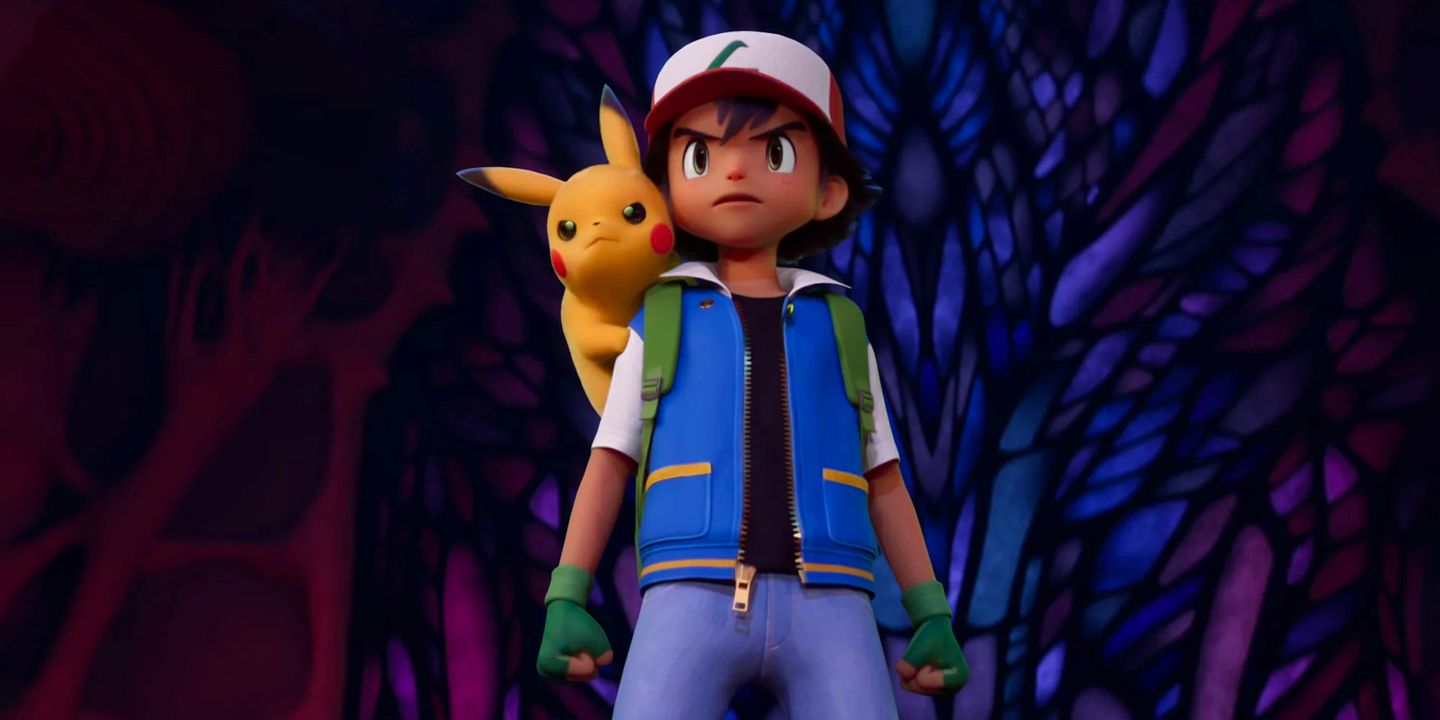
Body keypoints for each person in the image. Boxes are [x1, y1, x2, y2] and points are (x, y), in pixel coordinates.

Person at [535, 31, 968, 718]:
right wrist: (567, 593)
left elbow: (882, 475)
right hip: (688, 589)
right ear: (666, 188)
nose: (734, 173)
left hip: (832, 596)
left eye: (773, 152)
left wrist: (930, 611)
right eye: (701, 155)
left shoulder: (840, 323)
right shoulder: (662, 317)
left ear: (828, 191)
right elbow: (611, 460)